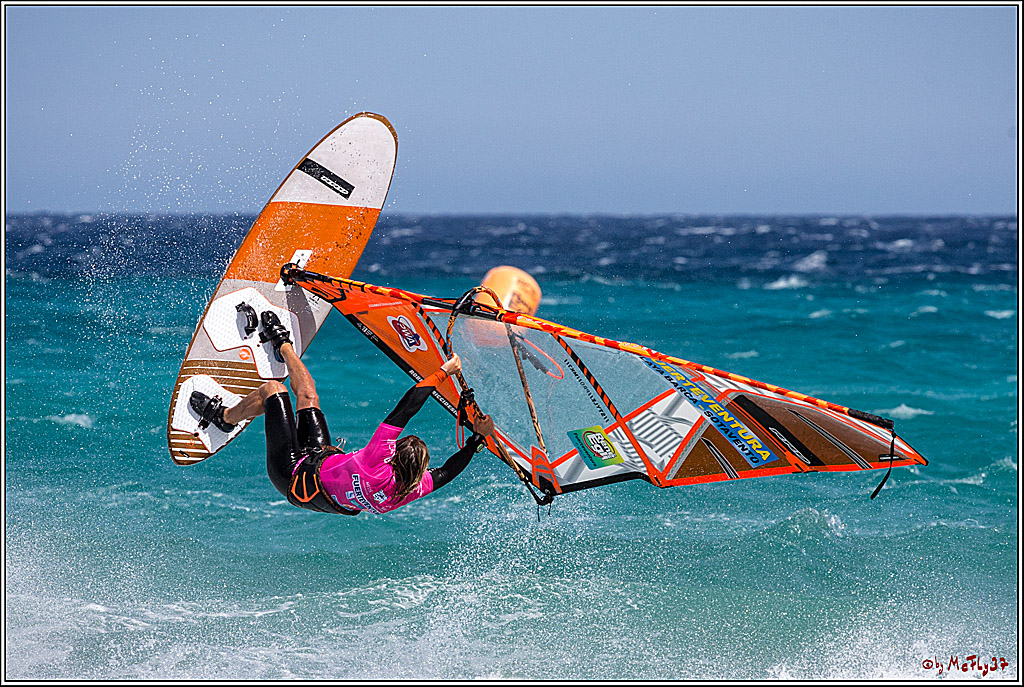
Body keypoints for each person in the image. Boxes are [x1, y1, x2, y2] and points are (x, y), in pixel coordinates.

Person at [189, 311, 493, 515]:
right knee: (308, 394)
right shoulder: (409, 490)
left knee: (274, 390)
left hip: (292, 476)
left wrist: (444, 371)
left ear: (395, 455)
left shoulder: (378, 461)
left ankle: (224, 417)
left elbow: (407, 408)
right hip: (320, 459)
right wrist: (476, 441)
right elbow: (446, 473)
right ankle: (281, 344)